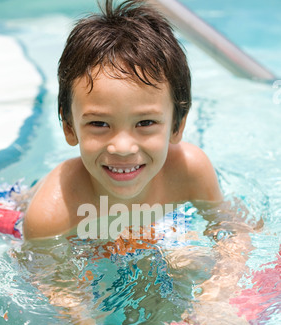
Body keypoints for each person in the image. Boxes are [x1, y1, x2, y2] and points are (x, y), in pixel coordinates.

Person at [23, 0, 222, 241]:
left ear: (177, 125)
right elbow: (46, 276)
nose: (123, 147)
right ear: (68, 127)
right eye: (99, 124)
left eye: (145, 123)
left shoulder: (191, 171)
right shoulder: (53, 212)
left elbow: (229, 231)